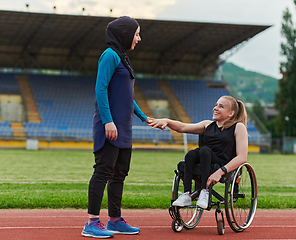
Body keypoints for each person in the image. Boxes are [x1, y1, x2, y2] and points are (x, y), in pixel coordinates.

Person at [82, 16, 156, 238]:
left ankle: (115, 220)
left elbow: (126, 96)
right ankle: (92, 223)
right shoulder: (110, 55)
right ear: (125, 33)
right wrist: (107, 121)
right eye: (136, 34)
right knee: (103, 171)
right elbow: (100, 89)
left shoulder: (123, 58)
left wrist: (144, 117)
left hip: (124, 127)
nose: (139, 38)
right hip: (110, 127)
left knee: (120, 174)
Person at [149, 95, 248, 209]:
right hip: (206, 159)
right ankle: (187, 194)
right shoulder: (207, 124)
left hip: (222, 164)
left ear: (231, 113)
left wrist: (220, 172)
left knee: (205, 150)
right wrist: (166, 121)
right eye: (216, 105)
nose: (215, 108)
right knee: (191, 154)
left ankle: (205, 192)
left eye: (221, 106)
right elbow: (182, 127)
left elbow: (242, 157)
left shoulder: (238, 127)